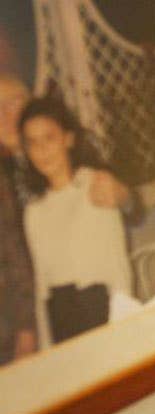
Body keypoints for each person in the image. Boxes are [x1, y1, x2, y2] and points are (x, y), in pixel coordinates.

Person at [21, 96, 135, 346]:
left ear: (68, 138)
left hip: (101, 308)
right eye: (32, 142)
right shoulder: (33, 211)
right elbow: (42, 286)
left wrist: (125, 325)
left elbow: (118, 264)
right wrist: (48, 347)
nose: (42, 150)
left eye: (49, 138)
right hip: (61, 318)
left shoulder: (96, 185)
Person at [0, 74, 36, 363]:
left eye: (15, 103)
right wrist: (25, 327)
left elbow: (132, 208)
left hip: (63, 296)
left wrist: (122, 195)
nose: (6, 114)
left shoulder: (56, 153)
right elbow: (12, 253)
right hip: (13, 317)